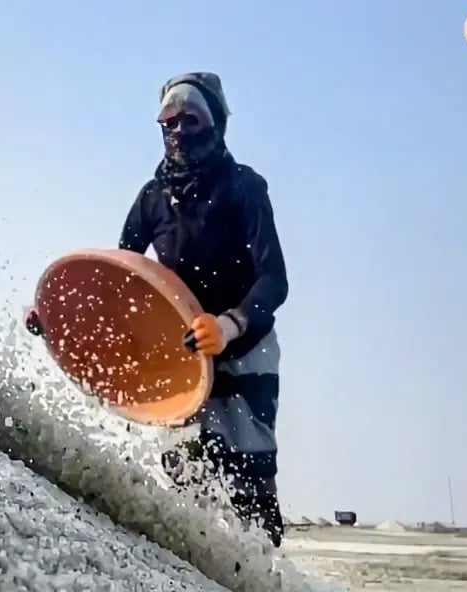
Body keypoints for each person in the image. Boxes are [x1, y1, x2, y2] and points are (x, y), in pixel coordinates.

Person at [117, 72, 289, 547]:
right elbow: (123, 275)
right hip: (185, 354)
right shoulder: (152, 198)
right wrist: (59, 321)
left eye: (190, 116)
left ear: (215, 124)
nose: (177, 129)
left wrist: (230, 324)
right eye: (168, 119)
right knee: (186, 469)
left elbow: (274, 278)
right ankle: (196, 567)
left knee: (248, 472)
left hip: (245, 347)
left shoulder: (244, 187)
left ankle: (264, 572)